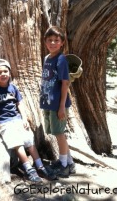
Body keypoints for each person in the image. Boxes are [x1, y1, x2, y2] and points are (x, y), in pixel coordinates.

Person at [0, 59, 56, 183]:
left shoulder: (13, 88)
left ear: (10, 73)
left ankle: (40, 166)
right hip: (4, 122)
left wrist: (24, 118)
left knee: (29, 140)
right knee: (17, 143)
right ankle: (29, 169)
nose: (3, 74)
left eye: (6, 71)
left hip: (17, 120)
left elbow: (20, 104)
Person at [40, 26, 76, 178]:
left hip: (57, 105)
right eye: (50, 40)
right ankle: (69, 163)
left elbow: (65, 83)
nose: (53, 43)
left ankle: (63, 165)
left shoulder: (61, 59)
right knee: (56, 132)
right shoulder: (47, 58)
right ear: (45, 42)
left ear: (62, 43)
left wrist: (62, 106)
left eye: (56, 40)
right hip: (48, 102)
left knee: (59, 133)